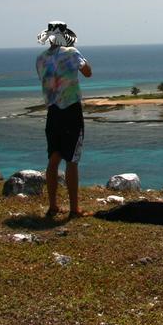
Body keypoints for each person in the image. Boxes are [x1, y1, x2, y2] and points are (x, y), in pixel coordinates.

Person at [35, 21, 92, 218]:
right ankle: (74, 208)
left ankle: (53, 205)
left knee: (54, 157)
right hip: (71, 110)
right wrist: (74, 50)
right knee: (72, 160)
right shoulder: (72, 53)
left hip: (52, 110)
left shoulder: (40, 59)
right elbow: (88, 72)